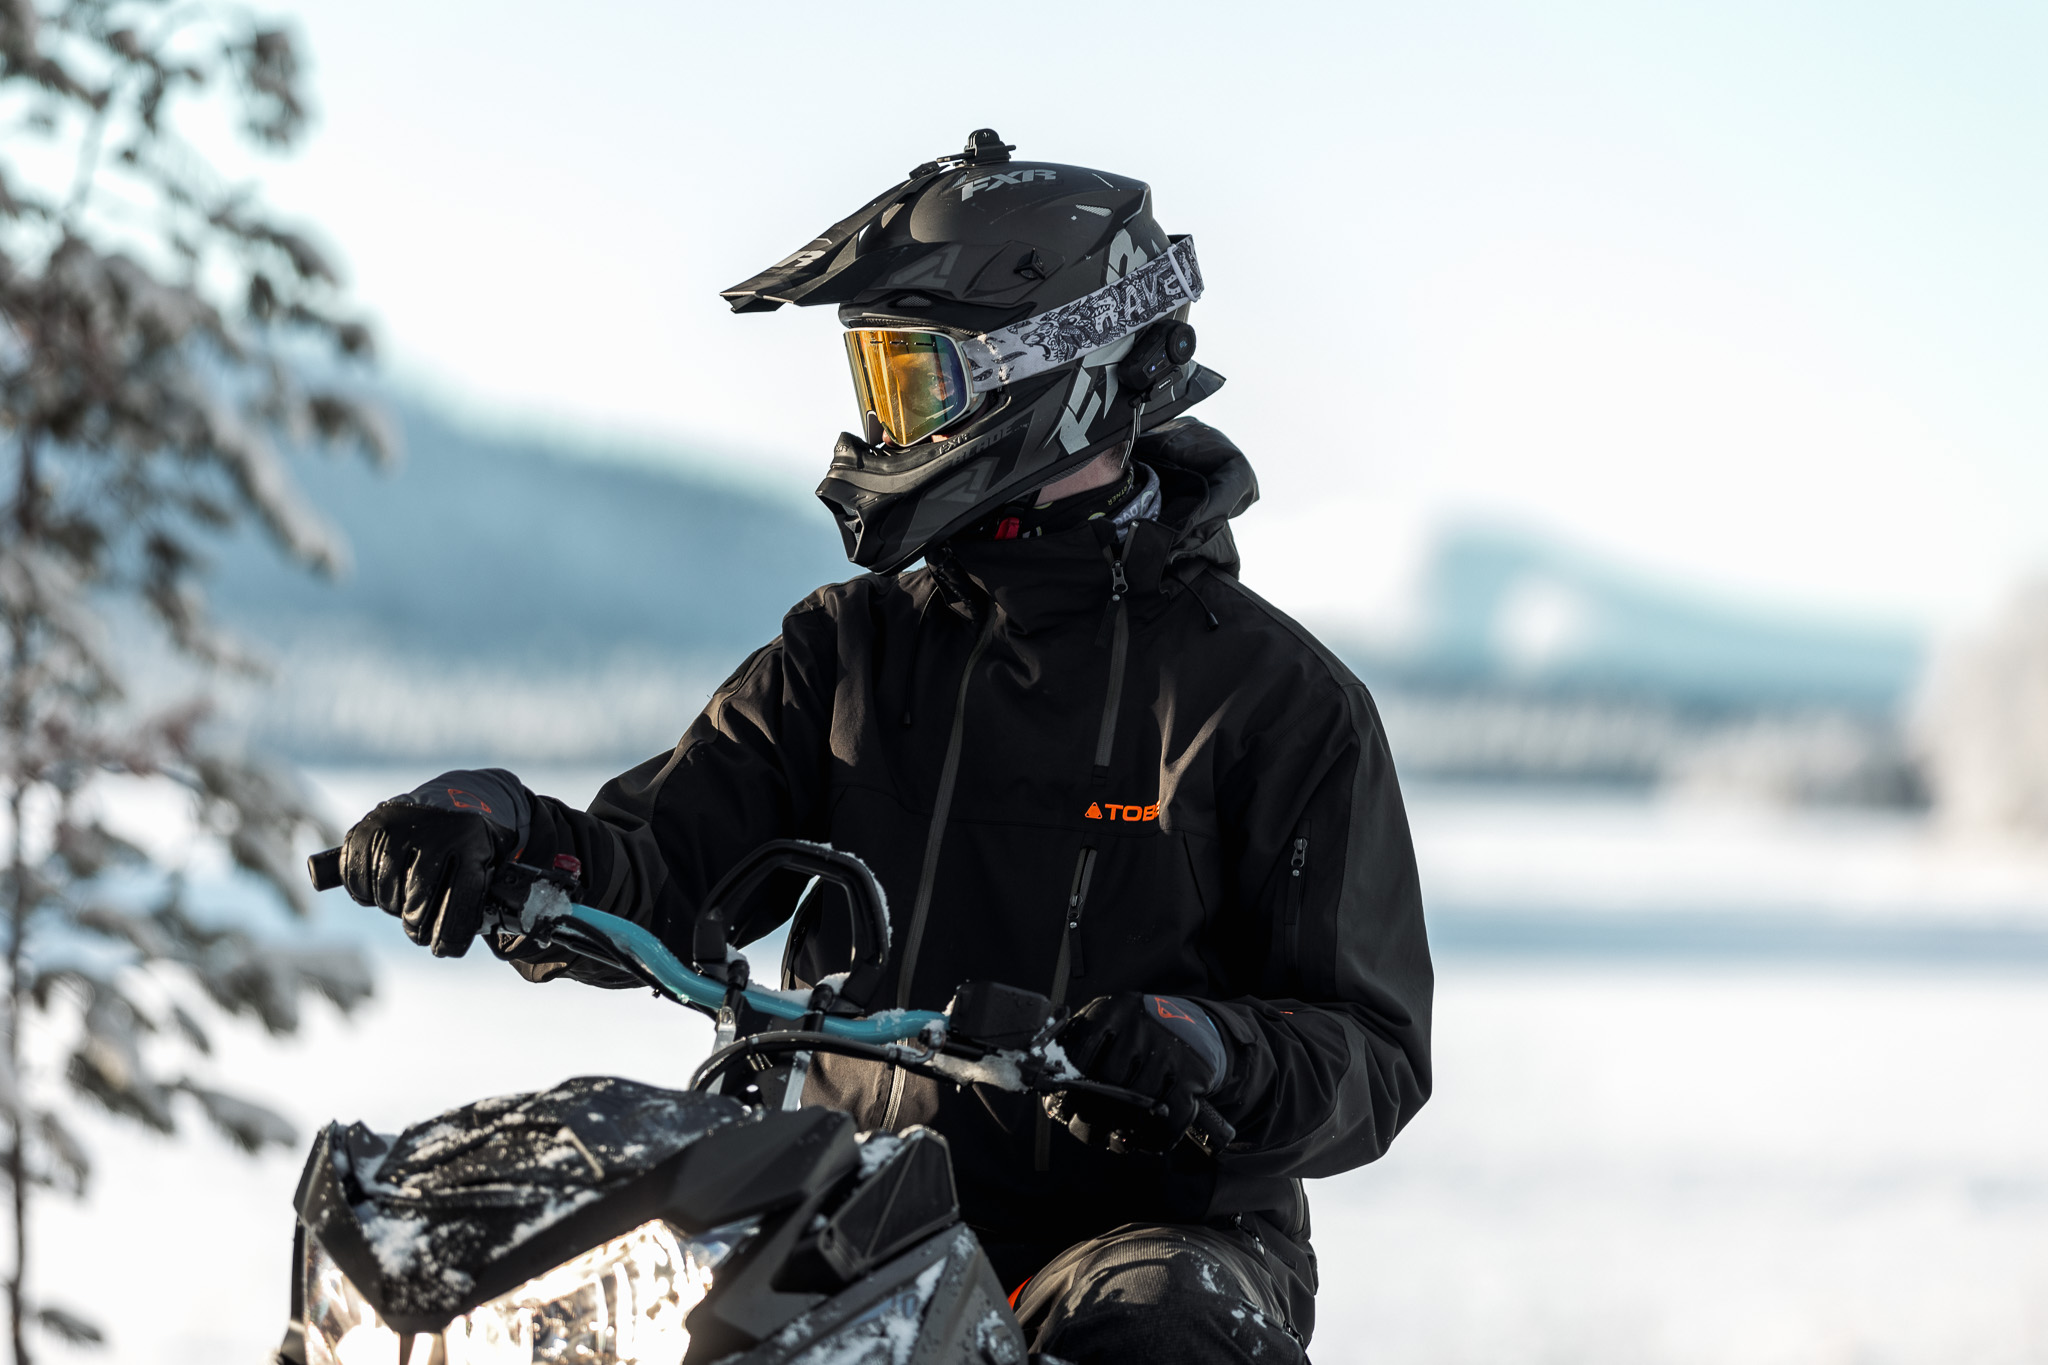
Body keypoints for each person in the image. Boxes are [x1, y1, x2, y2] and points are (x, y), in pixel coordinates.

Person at [338, 130, 1433, 1364]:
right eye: (873, 387)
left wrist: (1205, 1050)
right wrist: (503, 835)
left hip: (1145, 1233)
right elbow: (656, 866)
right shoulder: (846, 652)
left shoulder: (1275, 701)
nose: (881, 422)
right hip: (854, 1196)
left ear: (1054, 375)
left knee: (1162, 1331)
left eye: (913, 384)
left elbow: (1372, 1052)